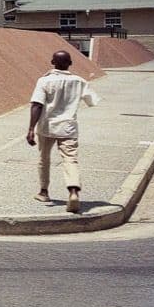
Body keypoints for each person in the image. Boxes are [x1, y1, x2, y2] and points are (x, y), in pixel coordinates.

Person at [26, 49, 99, 214]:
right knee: (70, 159)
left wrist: (31, 128)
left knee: (44, 159)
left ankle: (44, 192)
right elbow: (92, 101)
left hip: (47, 126)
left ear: (52, 63)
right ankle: (73, 192)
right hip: (68, 127)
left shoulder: (44, 81)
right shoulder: (79, 81)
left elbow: (37, 105)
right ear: (70, 63)